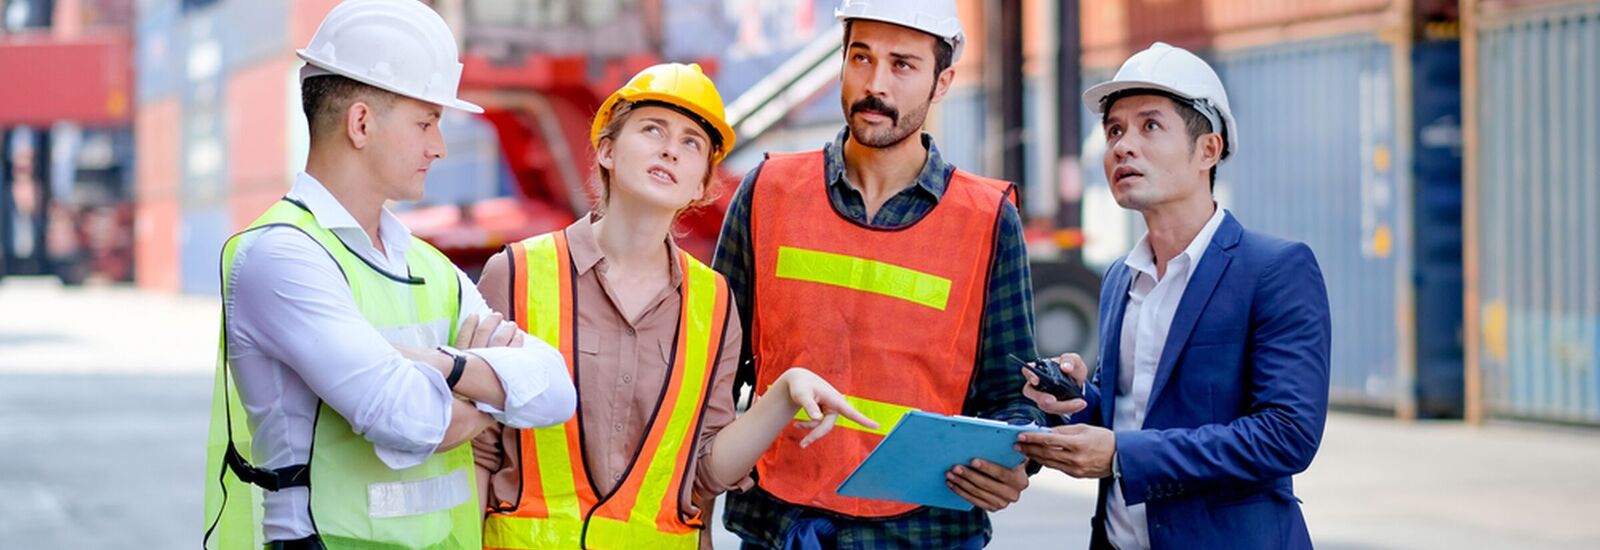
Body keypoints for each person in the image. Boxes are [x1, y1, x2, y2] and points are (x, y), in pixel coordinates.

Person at [201, 1, 576, 548]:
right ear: (360, 123)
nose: (439, 147)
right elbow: (404, 419)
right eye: (426, 122)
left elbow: (556, 390)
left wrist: (437, 365)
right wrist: (492, 395)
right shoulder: (282, 257)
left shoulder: (425, 263)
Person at [472, 62, 872, 549]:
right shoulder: (516, 273)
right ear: (607, 150)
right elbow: (478, 451)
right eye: (652, 129)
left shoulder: (715, 302)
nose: (669, 149)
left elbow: (702, 474)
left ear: (703, 184)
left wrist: (783, 395)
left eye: (691, 143)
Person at [713, 0, 1045, 547]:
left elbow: (1011, 393)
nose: (876, 84)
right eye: (861, 58)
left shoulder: (986, 220)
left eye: (903, 65)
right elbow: (713, 364)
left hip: (923, 530)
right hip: (781, 524)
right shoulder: (768, 192)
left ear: (943, 84)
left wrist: (1014, 467)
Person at [1015, 42, 1332, 550]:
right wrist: (1076, 401)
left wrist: (1122, 454)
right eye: (1114, 130)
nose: (1122, 146)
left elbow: (1286, 435)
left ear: (1208, 149)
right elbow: (1135, 415)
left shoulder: (1274, 269)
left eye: (1150, 126)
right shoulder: (1121, 277)